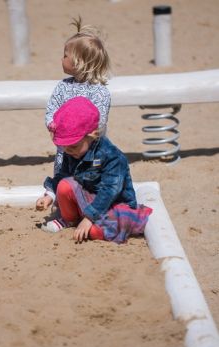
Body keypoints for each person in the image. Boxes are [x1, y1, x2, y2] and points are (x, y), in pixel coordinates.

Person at [36, 96, 152, 244]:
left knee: (95, 231)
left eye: (73, 146)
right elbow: (63, 175)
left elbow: (110, 190)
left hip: (112, 203)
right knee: (64, 185)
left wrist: (89, 218)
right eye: (64, 146)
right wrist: (49, 195)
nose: (68, 150)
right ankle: (69, 220)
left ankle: (88, 220)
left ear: (92, 135)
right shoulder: (72, 152)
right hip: (89, 198)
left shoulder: (111, 156)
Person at [45, 16, 111, 175]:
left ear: (78, 61)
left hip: (90, 150)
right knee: (63, 178)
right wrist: (51, 122)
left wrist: (81, 135)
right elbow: (52, 107)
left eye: (65, 55)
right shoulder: (63, 86)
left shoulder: (99, 92)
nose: (62, 59)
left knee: (90, 181)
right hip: (65, 149)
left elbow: (99, 120)